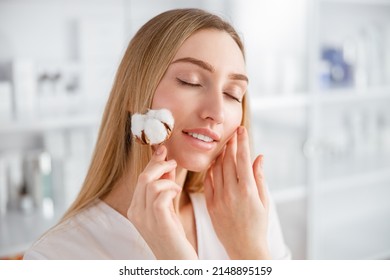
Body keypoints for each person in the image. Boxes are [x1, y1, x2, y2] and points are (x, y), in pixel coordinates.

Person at [24, 8, 291, 260]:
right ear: (134, 93)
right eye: (190, 81)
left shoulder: (246, 209)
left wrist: (250, 252)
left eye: (233, 94)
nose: (217, 112)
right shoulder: (55, 257)